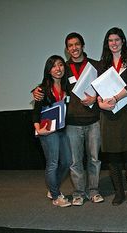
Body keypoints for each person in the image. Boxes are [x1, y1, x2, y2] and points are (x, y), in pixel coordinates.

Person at [33, 32, 104, 206]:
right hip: (71, 123)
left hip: (94, 120)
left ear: (83, 45)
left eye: (77, 44)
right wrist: (37, 91)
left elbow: (105, 89)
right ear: (67, 49)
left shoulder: (95, 66)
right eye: (70, 45)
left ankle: (94, 191)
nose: (74, 48)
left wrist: (95, 99)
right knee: (74, 162)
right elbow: (49, 84)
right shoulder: (63, 69)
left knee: (94, 159)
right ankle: (79, 193)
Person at [97, 27, 127, 206]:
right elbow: (98, 88)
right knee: (113, 156)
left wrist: (114, 98)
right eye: (110, 40)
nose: (114, 43)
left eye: (117, 39)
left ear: (123, 41)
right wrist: (101, 103)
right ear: (107, 44)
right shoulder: (102, 64)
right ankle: (119, 193)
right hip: (108, 114)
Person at [32, 55, 72, 207]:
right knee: (53, 163)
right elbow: (36, 112)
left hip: (62, 129)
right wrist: (38, 130)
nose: (58, 69)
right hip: (48, 131)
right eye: (54, 66)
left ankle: (52, 188)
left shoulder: (67, 87)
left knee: (67, 161)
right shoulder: (41, 89)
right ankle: (56, 196)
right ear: (49, 70)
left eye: (60, 65)